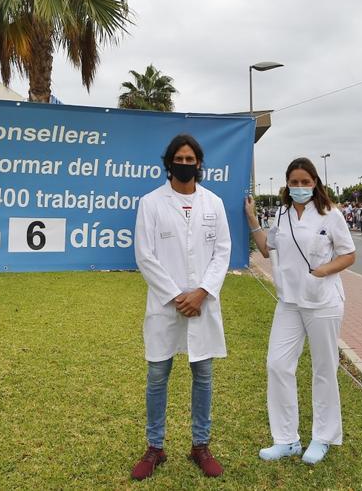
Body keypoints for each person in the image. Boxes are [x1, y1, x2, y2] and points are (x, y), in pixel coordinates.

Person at [244, 157, 356, 466]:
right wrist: (252, 219)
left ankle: (323, 437)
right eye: (294, 182)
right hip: (289, 302)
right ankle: (286, 440)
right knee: (277, 365)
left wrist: (322, 272)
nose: (300, 187)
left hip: (323, 301)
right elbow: (268, 249)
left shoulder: (330, 215)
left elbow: (349, 255)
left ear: (315, 183)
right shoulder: (281, 214)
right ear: (287, 184)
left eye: (305, 182)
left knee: (324, 369)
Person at [131, 134, 231, 480]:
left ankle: (200, 445)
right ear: (169, 161)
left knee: (202, 374)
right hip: (166, 305)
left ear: (199, 164)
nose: (185, 164)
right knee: (158, 375)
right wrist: (177, 296)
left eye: (191, 159)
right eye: (179, 158)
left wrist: (201, 292)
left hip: (202, 304)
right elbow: (145, 255)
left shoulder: (213, 203)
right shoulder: (151, 202)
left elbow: (222, 251)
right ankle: (155, 448)